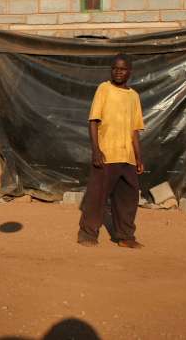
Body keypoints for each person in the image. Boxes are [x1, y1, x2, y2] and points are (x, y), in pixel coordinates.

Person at [78, 54, 145, 248]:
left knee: (128, 199)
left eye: (123, 69)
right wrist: (96, 150)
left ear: (129, 71)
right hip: (107, 153)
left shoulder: (134, 96)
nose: (118, 71)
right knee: (97, 196)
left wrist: (139, 157)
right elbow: (93, 121)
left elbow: (135, 130)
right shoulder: (104, 89)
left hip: (128, 157)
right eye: (115, 68)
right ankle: (88, 233)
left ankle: (125, 237)